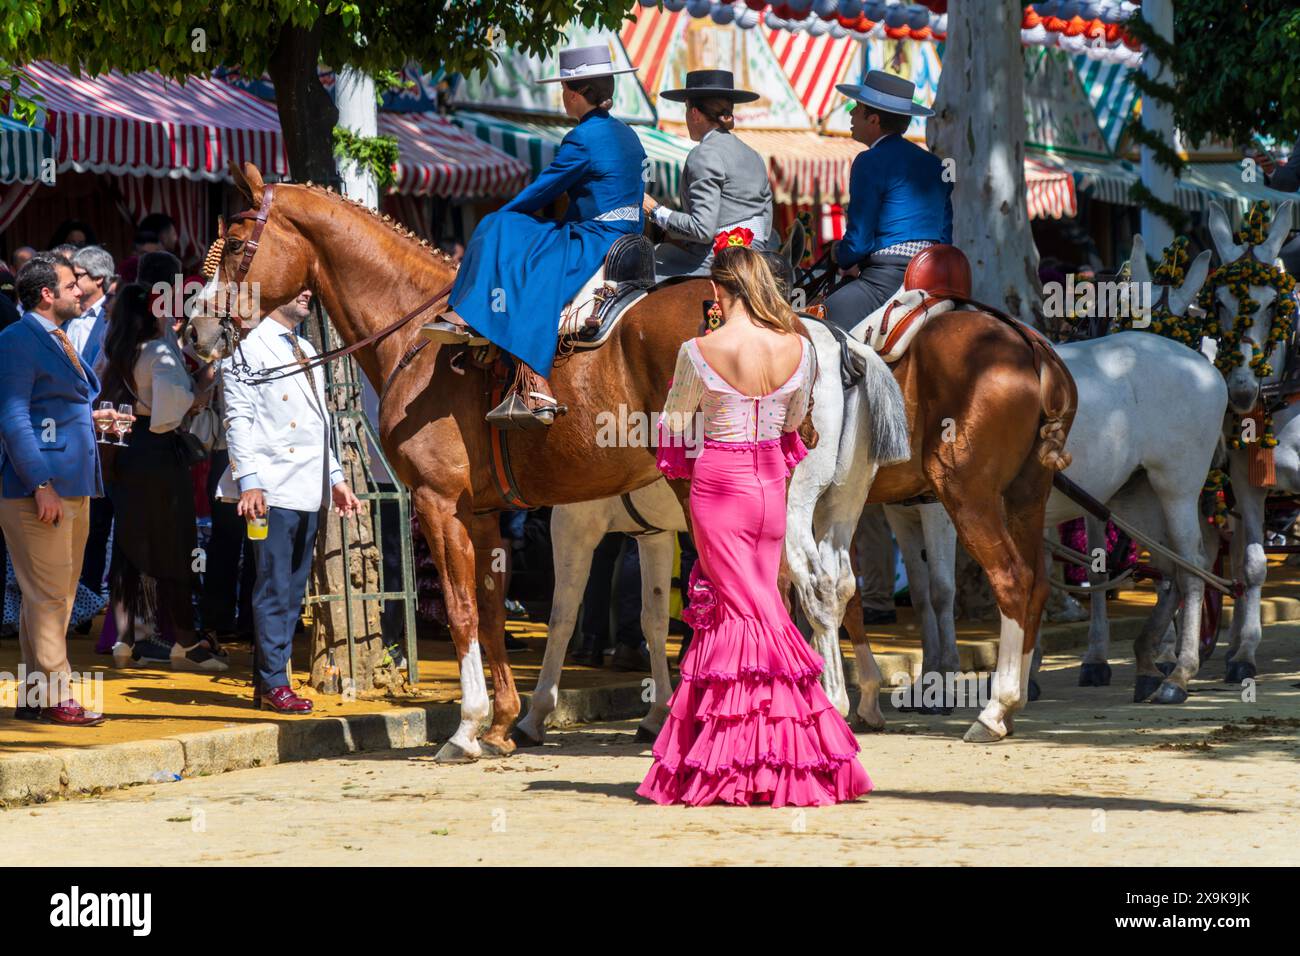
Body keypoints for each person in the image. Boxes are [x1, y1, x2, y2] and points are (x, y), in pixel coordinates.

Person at [637, 246, 871, 807]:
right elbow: (795, 424)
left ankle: (745, 758)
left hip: (719, 485)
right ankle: (771, 752)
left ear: (720, 292)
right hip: (771, 484)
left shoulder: (698, 350)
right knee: (758, 602)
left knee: (744, 613)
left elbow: (672, 424)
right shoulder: (800, 348)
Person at [421, 44, 647, 429]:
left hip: (597, 237)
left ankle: (482, 329)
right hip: (630, 237)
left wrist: (501, 219)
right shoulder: (629, 134)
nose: (562, 96)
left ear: (574, 93)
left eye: (564, 89)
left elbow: (542, 191)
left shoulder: (582, 138)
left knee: (501, 226)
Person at [217, 289, 362, 714]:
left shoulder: (306, 345)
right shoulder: (245, 348)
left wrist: (334, 477)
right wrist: (250, 482)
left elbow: (319, 422)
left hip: (306, 487)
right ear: (271, 293)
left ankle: (267, 683)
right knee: (274, 588)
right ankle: (275, 683)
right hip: (270, 489)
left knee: (292, 589)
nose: (307, 293)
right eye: (295, 286)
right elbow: (237, 421)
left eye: (309, 287)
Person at [100, 251, 224, 671]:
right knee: (175, 545)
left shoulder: (117, 345)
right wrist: (204, 384)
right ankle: (185, 644)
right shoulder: (159, 352)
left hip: (127, 454)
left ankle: (123, 641)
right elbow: (175, 411)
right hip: (157, 452)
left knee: (129, 545)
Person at [0, 255, 107, 725]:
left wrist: (92, 418)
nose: (79, 290)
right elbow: (12, 416)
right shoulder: (17, 340)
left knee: (51, 595)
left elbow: (53, 405)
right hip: (39, 489)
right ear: (47, 294)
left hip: (71, 483)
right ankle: (58, 693)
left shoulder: (53, 338)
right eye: (71, 284)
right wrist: (38, 482)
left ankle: (35, 695)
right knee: (49, 596)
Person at [824, 71, 953, 333]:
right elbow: (945, 235)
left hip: (887, 279)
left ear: (873, 119)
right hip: (935, 276)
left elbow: (859, 239)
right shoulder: (936, 165)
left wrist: (841, 255)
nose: (850, 115)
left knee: (824, 319)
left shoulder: (869, 161)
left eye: (856, 109)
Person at [644, 70, 775, 277]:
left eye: (686, 110)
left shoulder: (704, 154)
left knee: (642, 266)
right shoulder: (754, 155)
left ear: (694, 114)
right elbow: (765, 223)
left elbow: (702, 230)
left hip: (716, 260)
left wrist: (655, 211)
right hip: (757, 260)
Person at [66, 246, 115, 368]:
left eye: (77, 275)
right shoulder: (65, 313)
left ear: (98, 278)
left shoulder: (114, 315)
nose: (71, 281)